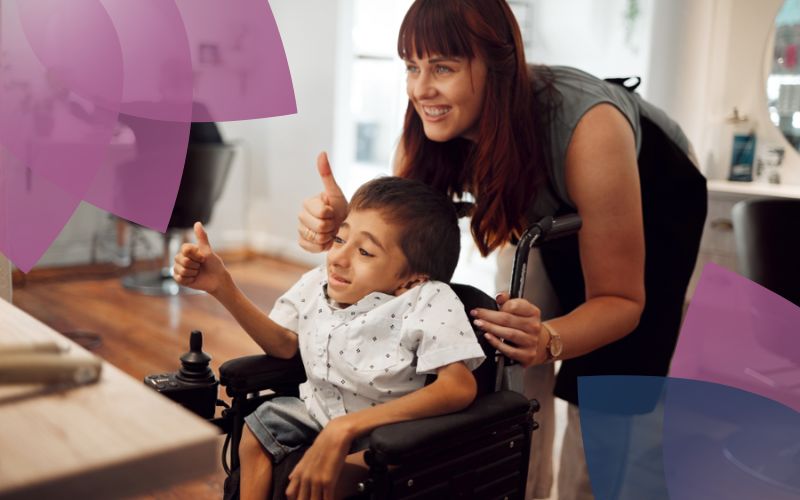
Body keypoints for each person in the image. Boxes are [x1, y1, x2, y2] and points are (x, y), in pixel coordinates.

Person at [297, 1, 707, 499]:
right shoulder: (431, 122)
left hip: (653, 200)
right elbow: (400, 252)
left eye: (443, 67)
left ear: (498, 66)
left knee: (604, 386)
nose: (420, 88)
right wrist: (345, 227)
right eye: (412, 66)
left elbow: (621, 301)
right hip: (541, 202)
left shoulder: (590, 126)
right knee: (508, 348)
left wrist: (551, 338)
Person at [173, 176, 485, 500]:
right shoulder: (317, 282)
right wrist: (223, 287)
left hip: (386, 431)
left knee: (326, 484)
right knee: (256, 430)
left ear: (411, 281)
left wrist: (345, 429)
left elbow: (458, 386)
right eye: (339, 239)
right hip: (316, 413)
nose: (338, 257)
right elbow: (283, 344)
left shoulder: (426, 298)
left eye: (364, 251)